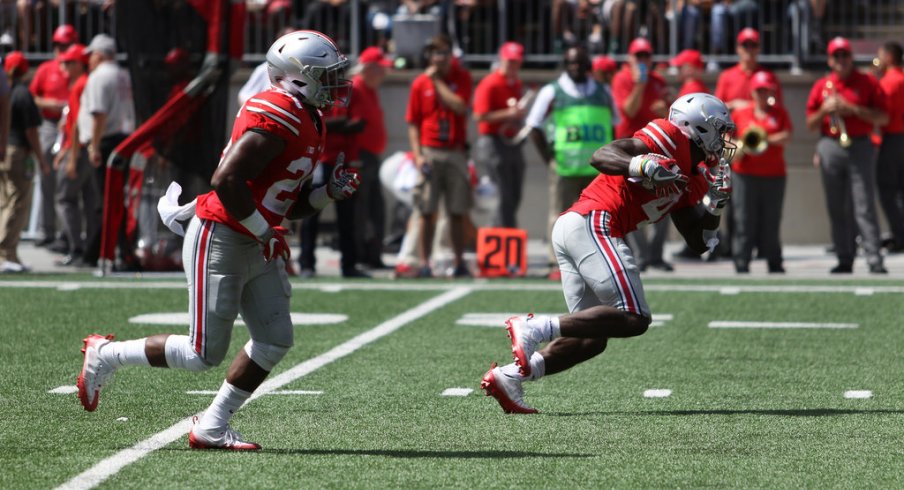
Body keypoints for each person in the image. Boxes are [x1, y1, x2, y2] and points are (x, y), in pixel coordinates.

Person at [77, 30, 361, 450]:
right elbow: (225, 180)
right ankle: (106, 355)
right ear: (298, 77)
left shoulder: (309, 117)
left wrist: (327, 194)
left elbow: (286, 201)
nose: (337, 85)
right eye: (328, 75)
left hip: (256, 237)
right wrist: (265, 232)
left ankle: (211, 425)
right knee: (201, 353)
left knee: (274, 337)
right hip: (224, 233)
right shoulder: (279, 110)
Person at [481, 93, 736, 413]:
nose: (724, 138)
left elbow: (697, 241)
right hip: (593, 222)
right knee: (635, 317)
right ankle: (534, 327)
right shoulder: (669, 137)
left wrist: (715, 204)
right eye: (719, 129)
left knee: (591, 338)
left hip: (581, 228)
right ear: (695, 125)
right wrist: (641, 163)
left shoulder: (695, 175)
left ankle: (509, 376)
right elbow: (603, 155)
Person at [526, 46, 618, 280]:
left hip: (597, 170)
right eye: (571, 63)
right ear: (565, 65)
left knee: (597, 218)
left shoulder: (603, 91)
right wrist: (549, 159)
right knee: (560, 216)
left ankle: (597, 262)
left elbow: (614, 125)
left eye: (580, 63)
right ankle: (555, 264)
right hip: (565, 168)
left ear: (588, 65)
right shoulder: (552, 91)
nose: (575, 67)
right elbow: (533, 126)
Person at [806, 37, 889, 274]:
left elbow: (883, 117)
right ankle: (844, 257)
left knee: (864, 205)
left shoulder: (866, 82)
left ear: (851, 58)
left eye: (845, 55)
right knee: (836, 206)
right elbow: (810, 124)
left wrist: (852, 109)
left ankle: (874, 258)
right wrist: (825, 110)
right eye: (836, 56)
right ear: (830, 60)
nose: (841, 60)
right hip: (830, 146)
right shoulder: (821, 86)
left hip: (860, 145)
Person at [405, 34, 473, 278]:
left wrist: (437, 83)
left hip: (455, 152)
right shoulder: (419, 83)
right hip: (430, 151)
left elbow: (459, 106)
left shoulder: (461, 77)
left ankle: (458, 262)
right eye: (436, 53)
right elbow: (413, 122)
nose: (440, 58)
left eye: (444, 53)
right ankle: (425, 263)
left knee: (457, 210)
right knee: (426, 210)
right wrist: (418, 155)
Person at [611, 37, 672, 272]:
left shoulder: (658, 80)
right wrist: (639, 84)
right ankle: (641, 256)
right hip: (630, 147)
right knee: (632, 202)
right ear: (630, 58)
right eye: (639, 56)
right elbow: (628, 110)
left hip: (656, 147)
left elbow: (671, 115)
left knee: (665, 199)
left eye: (647, 56)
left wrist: (664, 109)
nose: (643, 60)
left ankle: (656, 255)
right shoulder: (622, 78)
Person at [75, 34, 136, 269]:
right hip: (123, 140)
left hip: (107, 141)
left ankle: (95, 252)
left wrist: (95, 146)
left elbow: (99, 114)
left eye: (91, 55)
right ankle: (122, 251)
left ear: (99, 54)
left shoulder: (99, 76)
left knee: (105, 201)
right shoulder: (123, 74)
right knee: (116, 199)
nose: (88, 59)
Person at [729, 71, 792, 273]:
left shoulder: (779, 113)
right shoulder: (741, 113)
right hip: (744, 174)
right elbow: (726, 137)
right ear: (753, 92)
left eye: (766, 90)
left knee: (771, 220)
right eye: (759, 90)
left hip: (774, 175)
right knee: (744, 218)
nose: (763, 94)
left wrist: (765, 140)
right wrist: (736, 147)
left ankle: (774, 260)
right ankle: (741, 261)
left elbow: (787, 135)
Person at [29, 24, 77, 248]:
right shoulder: (46, 69)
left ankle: (68, 234)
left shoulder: (78, 67)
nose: (61, 50)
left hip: (70, 127)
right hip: (50, 124)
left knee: (67, 183)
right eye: (58, 45)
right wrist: (53, 104)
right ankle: (46, 230)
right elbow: (32, 98)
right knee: (46, 179)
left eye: (66, 45)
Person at [1, 52, 49, 272]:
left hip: (5, 153)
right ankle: (5, 253)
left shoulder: (8, 92)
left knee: (6, 202)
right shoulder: (22, 94)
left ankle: (10, 254)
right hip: (17, 153)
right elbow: (31, 131)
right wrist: (41, 158)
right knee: (18, 203)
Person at [472, 41, 527, 229]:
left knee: (514, 193)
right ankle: (503, 235)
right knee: (501, 194)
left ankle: (501, 233)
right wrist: (508, 114)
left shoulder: (516, 84)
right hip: (494, 142)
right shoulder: (490, 84)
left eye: (516, 62)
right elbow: (479, 115)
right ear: (501, 60)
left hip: (511, 142)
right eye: (509, 62)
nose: (513, 66)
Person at [53, 43, 98, 268]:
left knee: (65, 199)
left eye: (68, 62)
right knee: (89, 201)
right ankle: (90, 248)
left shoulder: (81, 84)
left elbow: (79, 124)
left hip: (78, 151)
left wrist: (70, 156)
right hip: (82, 149)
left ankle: (76, 248)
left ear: (78, 64)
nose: (64, 66)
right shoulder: (82, 83)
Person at [351, 46, 392, 269]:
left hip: (371, 156)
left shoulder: (369, 90)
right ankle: (361, 255)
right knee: (362, 208)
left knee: (375, 207)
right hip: (359, 156)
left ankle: (373, 255)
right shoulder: (355, 89)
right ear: (368, 69)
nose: (385, 74)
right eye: (380, 69)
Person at [874, 41, 904, 253]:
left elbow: (882, 115)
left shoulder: (889, 82)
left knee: (887, 191)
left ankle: (899, 236)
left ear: (889, 57)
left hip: (893, 137)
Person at [714, 28, 782, 112]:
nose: (749, 49)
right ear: (738, 48)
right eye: (745, 45)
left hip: (761, 124)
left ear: (759, 48)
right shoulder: (726, 76)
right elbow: (716, 107)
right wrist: (732, 105)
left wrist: (746, 105)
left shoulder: (770, 76)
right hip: (733, 124)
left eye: (753, 45)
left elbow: (775, 104)